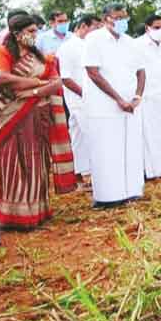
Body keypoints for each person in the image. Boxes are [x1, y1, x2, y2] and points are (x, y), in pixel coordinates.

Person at [0, 15, 76, 229]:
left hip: (37, 116)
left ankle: (37, 211)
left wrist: (35, 90)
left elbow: (55, 82)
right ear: (17, 34)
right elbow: (0, 78)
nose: (36, 35)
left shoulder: (40, 56)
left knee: (36, 161)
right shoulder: (2, 52)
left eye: (37, 31)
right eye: (31, 31)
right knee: (12, 162)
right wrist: (38, 84)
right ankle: (11, 215)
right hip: (11, 117)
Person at [82, 3, 146, 208]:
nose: (122, 22)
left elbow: (141, 71)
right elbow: (93, 72)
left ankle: (132, 191)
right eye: (117, 18)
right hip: (104, 106)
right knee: (106, 151)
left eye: (125, 17)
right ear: (105, 19)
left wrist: (137, 96)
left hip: (131, 106)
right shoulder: (94, 39)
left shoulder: (130, 42)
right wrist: (118, 98)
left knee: (130, 148)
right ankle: (107, 197)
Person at [56, 13, 102, 190]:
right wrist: (86, 94)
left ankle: (82, 173)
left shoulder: (90, 45)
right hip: (79, 99)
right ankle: (88, 174)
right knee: (89, 135)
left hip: (93, 98)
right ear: (83, 26)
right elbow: (65, 78)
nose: (98, 31)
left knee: (80, 136)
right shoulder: (68, 48)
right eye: (95, 27)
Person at [135, 14, 161, 180]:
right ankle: (147, 170)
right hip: (146, 97)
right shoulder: (138, 45)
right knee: (146, 134)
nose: (160, 30)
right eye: (156, 27)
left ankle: (159, 167)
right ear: (147, 28)